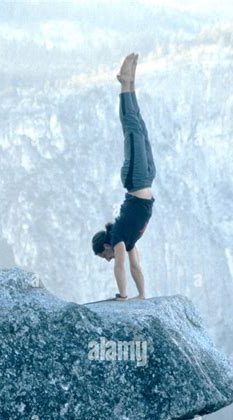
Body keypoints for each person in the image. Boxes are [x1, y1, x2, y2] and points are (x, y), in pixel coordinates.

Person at [91, 52, 156, 301]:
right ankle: (130, 81)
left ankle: (124, 83)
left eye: (104, 255)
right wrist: (142, 294)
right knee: (139, 125)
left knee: (130, 127)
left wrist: (123, 296)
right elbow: (135, 267)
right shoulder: (127, 243)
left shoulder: (118, 237)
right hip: (148, 179)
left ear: (106, 246)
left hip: (135, 179)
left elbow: (121, 267)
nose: (108, 259)